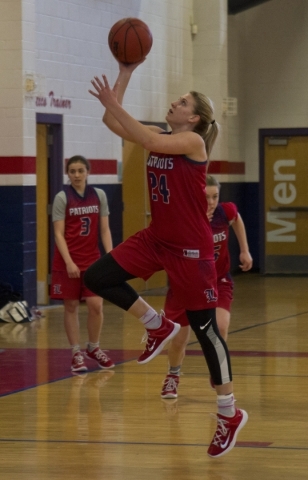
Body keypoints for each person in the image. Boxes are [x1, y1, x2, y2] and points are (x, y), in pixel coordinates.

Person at [85, 61, 248, 458]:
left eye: (182, 101)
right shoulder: (161, 135)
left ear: (193, 118)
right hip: (158, 238)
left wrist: (117, 102)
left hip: (192, 249)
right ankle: (156, 324)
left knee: (206, 330)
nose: (174, 103)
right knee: (97, 276)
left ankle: (228, 413)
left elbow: (146, 139)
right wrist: (125, 71)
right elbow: (112, 120)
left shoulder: (193, 143)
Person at [161, 174, 253, 399]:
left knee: (221, 326)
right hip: (185, 284)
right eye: (206, 197)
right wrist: (198, 221)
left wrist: (244, 249)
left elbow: (237, 219)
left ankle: (217, 370)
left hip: (218, 280)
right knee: (179, 339)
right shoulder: (184, 217)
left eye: (215, 197)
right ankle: (173, 375)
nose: (211, 202)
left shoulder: (225, 211)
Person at [50, 155, 115, 373]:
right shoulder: (62, 197)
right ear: (67, 174)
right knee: (71, 306)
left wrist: (112, 256)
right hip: (68, 261)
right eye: (72, 171)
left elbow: (104, 230)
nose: (77, 175)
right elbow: (58, 234)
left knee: (96, 306)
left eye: (80, 170)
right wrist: (68, 262)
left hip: (92, 260)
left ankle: (94, 347)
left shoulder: (99, 195)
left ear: (88, 172)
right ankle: (76, 352)